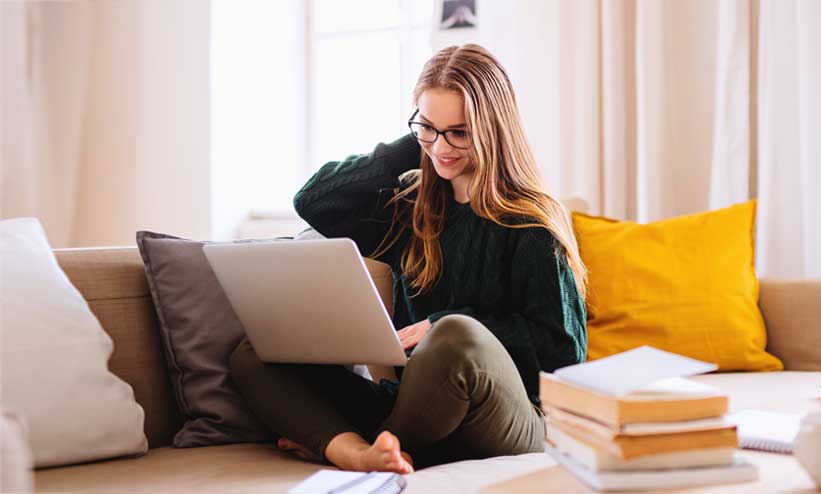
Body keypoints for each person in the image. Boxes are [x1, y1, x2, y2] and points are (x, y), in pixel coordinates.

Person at [229, 44, 588, 474]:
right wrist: (416, 142)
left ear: (493, 129)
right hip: (416, 405)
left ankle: (374, 445)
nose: (442, 148)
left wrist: (445, 325)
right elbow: (315, 200)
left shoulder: (531, 222)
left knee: (456, 335)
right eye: (428, 128)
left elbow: (565, 354)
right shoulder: (410, 209)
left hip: (513, 416)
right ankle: (363, 452)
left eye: (459, 132)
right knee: (256, 353)